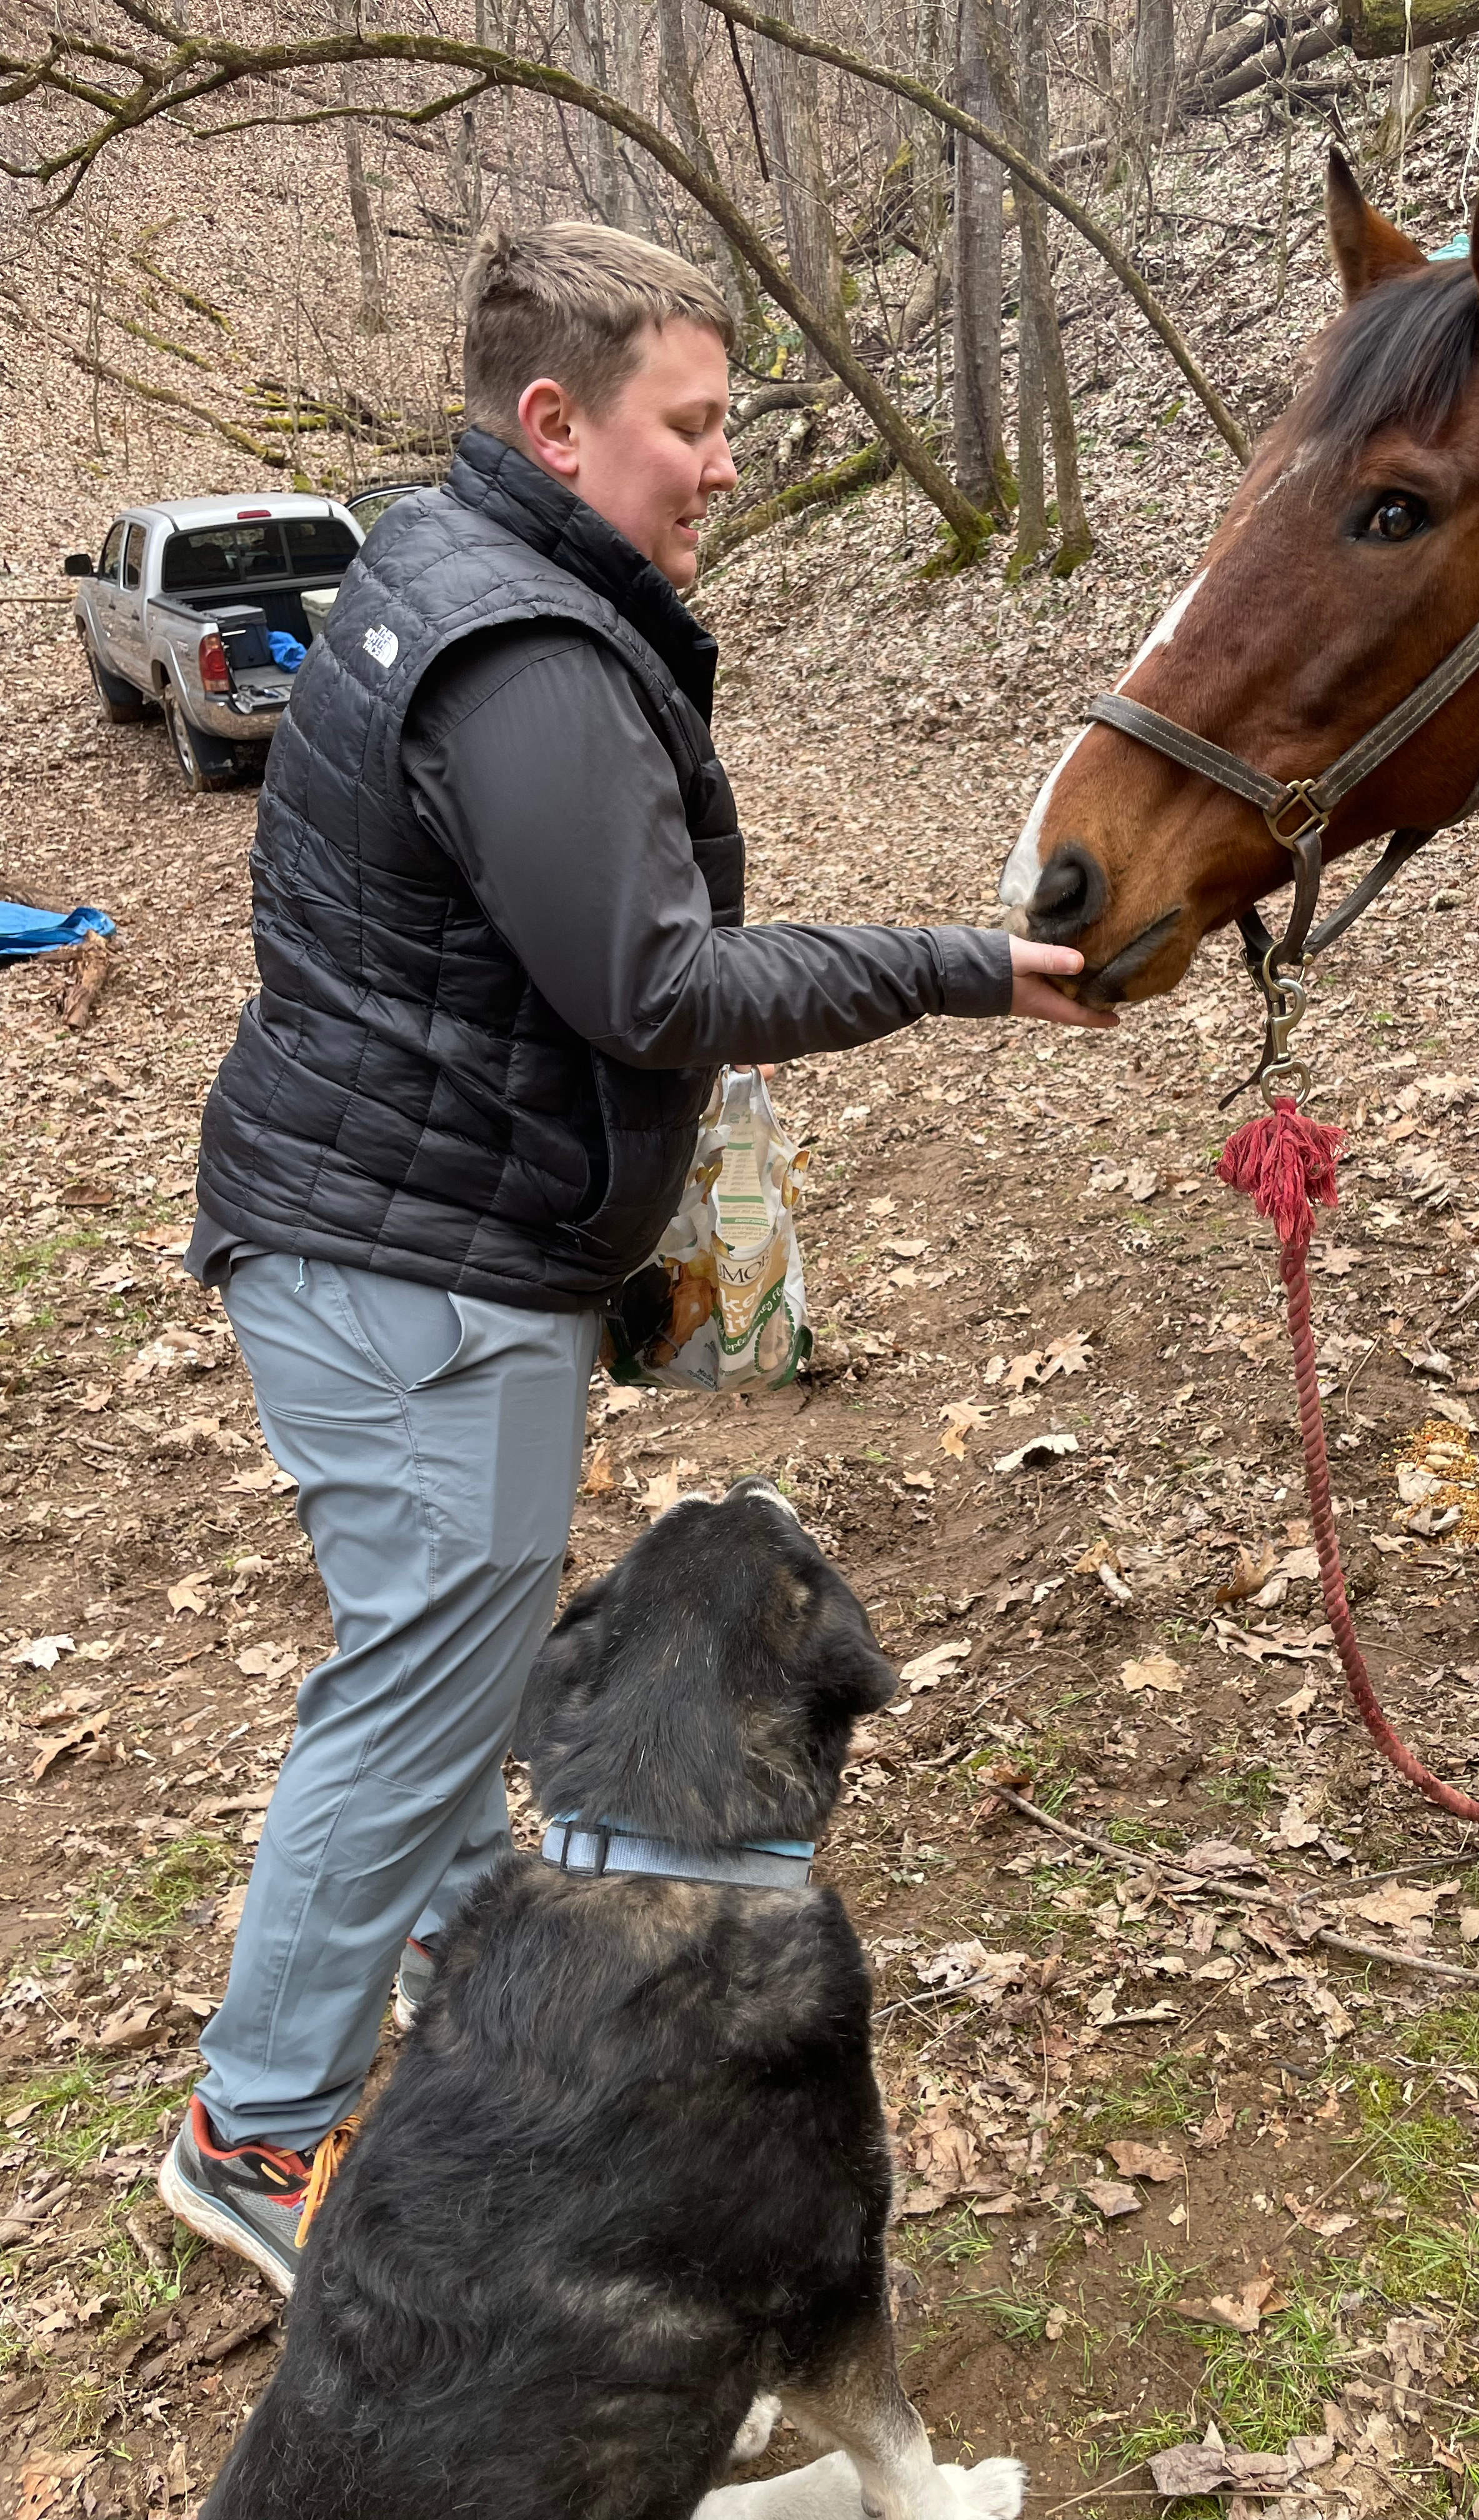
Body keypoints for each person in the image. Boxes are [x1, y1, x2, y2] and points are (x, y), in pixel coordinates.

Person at [158, 219, 1111, 2294]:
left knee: (454, 1664)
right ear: (555, 421)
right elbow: (651, 983)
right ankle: (258, 2131)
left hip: (395, 1230)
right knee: (420, 1689)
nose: (723, 465)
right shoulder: (520, 652)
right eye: (693, 427)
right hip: (410, 1266)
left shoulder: (451, 569)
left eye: (731, 426)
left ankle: (460, 1989)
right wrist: (955, 968)